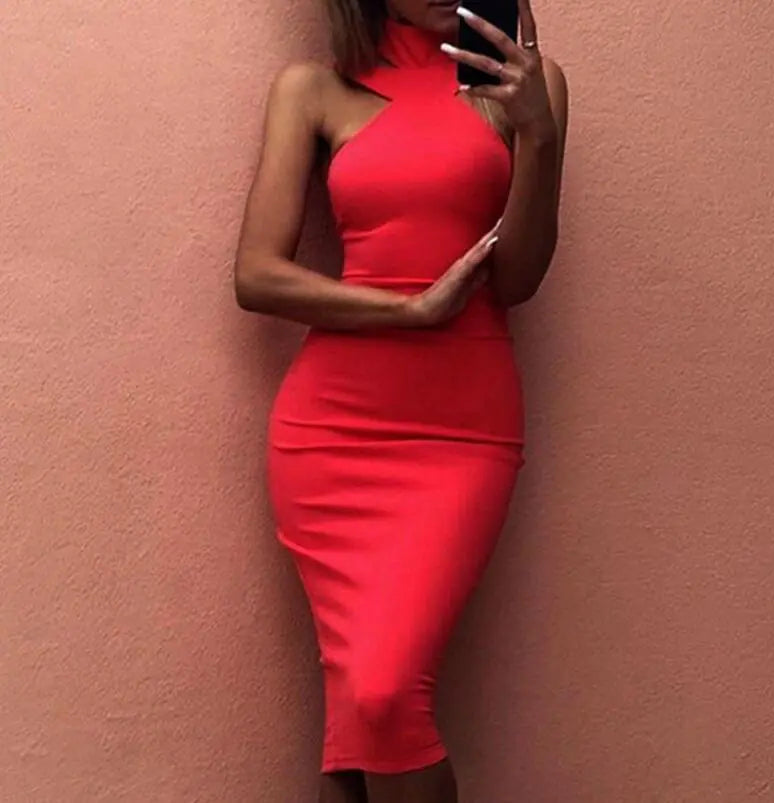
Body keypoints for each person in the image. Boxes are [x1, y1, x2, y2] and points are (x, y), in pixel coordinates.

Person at [235, 0, 568, 800]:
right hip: (329, 433)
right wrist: (409, 310)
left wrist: (538, 133)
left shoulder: (530, 86)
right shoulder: (313, 89)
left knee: (382, 696)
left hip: (463, 430)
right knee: (362, 717)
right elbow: (256, 275)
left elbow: (518, 279)